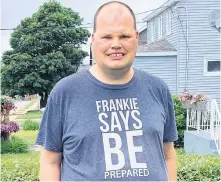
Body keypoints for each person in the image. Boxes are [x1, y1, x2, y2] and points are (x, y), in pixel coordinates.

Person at [36, 1, 178, 181]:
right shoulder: (65, 93)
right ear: (93, 39)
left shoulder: (158, 89)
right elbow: (50, 162)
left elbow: (168, 155)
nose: (116, 44)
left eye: (124, 36)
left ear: (136, 37)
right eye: (107, 37)